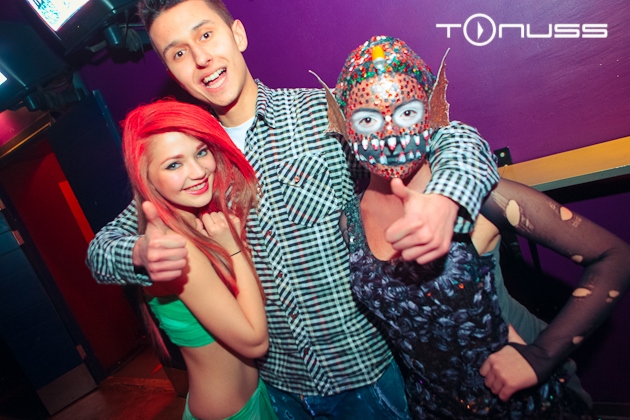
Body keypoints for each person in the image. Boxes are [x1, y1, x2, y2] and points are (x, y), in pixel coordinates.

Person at [86, 0, 553, 417]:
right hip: (281, 386)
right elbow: (100, 250)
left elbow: (449, 135)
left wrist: (445, 196)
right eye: (178, 53)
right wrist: (140, 254)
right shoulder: (193, 158)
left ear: (238, 35)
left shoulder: (319, 115)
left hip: (365, 377)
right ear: (173, 71)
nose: (200, 58)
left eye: (206, 34)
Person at [335, 36, 630, 419]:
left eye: (406, 112)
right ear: (345, 124)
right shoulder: (350, 220)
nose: (390, 137)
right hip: (433, 409)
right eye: (368, 119)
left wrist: (540, 356)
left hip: (521, 405)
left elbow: (615, 257)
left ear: (431, 110)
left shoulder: (477, 197)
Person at [121, 99, 275, 419]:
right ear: (146, 176)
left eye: (201, 152)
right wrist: (234, 247)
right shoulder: (175, 247)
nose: (198, 171)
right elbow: (255, 342)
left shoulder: (196, 221)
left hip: (252, 397)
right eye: (173, 165)